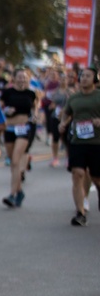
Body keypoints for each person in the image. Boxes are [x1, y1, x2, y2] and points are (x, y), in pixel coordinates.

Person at [58, 66, 100, 226]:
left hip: (97, 142)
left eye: (88, 76)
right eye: (82, 76)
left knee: (96, 177)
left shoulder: (98, 96)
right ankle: (80, 212)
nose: (84, 78)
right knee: (77, 173)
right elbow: (67, 113)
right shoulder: (74, 98)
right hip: (78, 141)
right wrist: (62, 123)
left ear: (95, 79)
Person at [0, 68, 39, 208]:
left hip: (24, 128)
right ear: (14, 78)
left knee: (16, 160)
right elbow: (0, 107)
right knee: (13, 163)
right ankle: (20, 191)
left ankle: (12, 194)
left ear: (28, 79)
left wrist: (35, 116)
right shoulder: (7, 92)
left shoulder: (31, 93)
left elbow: (35, 108)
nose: (22, 80)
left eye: (24, 77)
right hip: (9, 128)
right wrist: (6, 110)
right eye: (19, 77)